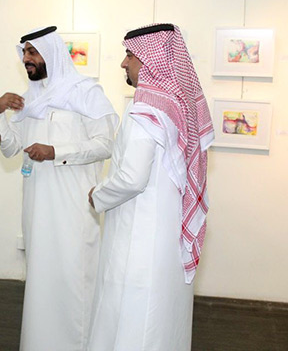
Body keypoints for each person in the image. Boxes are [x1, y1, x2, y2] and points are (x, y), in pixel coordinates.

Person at [87, 23, 215, 351]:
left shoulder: (145, 111)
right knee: (162, 319)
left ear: (149, 60)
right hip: (166, 234)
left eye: (130, 55)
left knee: (133, 319)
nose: (123, 63)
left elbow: (131, 178)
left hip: (140, 235)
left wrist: (97, 195)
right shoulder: (176, 108)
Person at [0, 26, 118, 350]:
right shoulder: (29, 100)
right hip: (37, 208)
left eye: (33, 52)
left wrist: (55, 151)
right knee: (42, 282)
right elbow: (11, 148)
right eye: (24, 52)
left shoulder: (85, 92)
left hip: (73, 209)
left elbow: (106, 144)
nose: (26, 58)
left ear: (51, 53)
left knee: (74, 283)